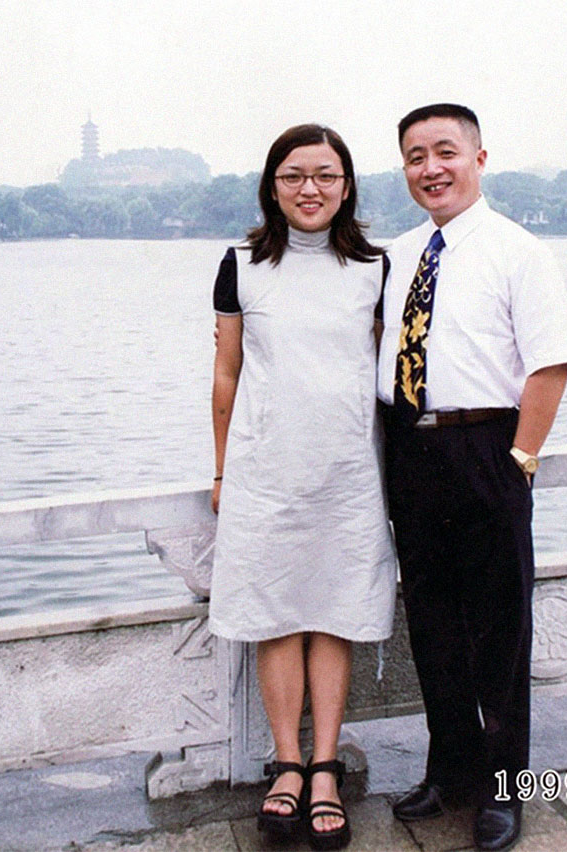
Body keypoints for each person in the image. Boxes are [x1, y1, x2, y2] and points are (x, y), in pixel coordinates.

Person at [376, 104, 567, 852]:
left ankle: (506, 788)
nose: (430, 168)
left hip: (487, 448)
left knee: (498, 630)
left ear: (479, 157)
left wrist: (520, 461)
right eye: (414, 157)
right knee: (430, 626)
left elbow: (549, 364)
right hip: (410, 453)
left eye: (444, 152)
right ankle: (451, 769)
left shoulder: (517, 250)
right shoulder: (397, 254)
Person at [209, 123, 396, 849]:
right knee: (277, 611)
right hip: (265, 472)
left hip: (349, 473)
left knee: (336, 610)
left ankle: (326, 768)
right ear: (271, 186)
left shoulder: (375, 267)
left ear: (346, 185)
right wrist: (223, 469)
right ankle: (286, 763)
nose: (309, 189)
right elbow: (225, 373)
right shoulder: (240, 264)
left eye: (324, 175)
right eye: (293, 176)